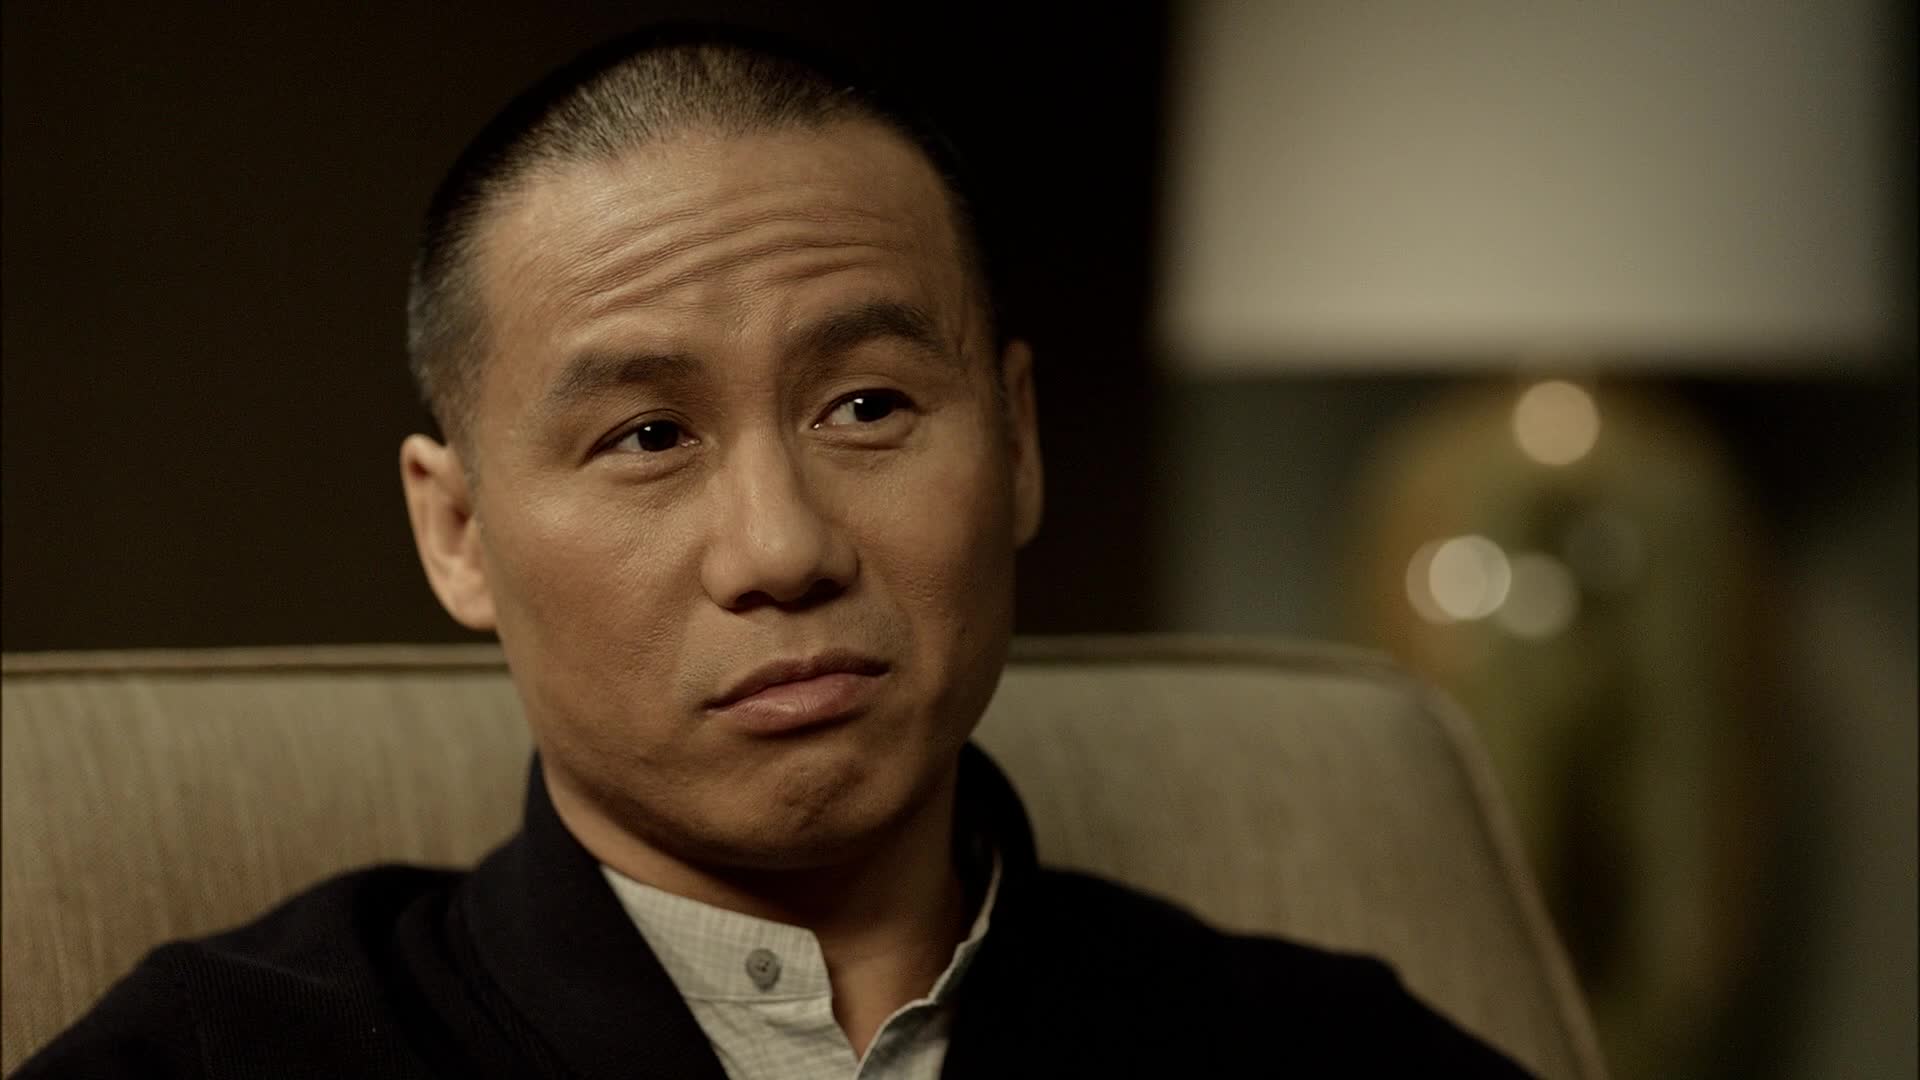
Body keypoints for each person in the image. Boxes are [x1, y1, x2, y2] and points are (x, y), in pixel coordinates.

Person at [15, 24, 1531, 1079]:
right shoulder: (222, 1060)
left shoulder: (1325, 1050)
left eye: (868, 406)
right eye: (647, 436)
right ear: (456, 531)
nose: (783, 549)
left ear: (1016, 442)